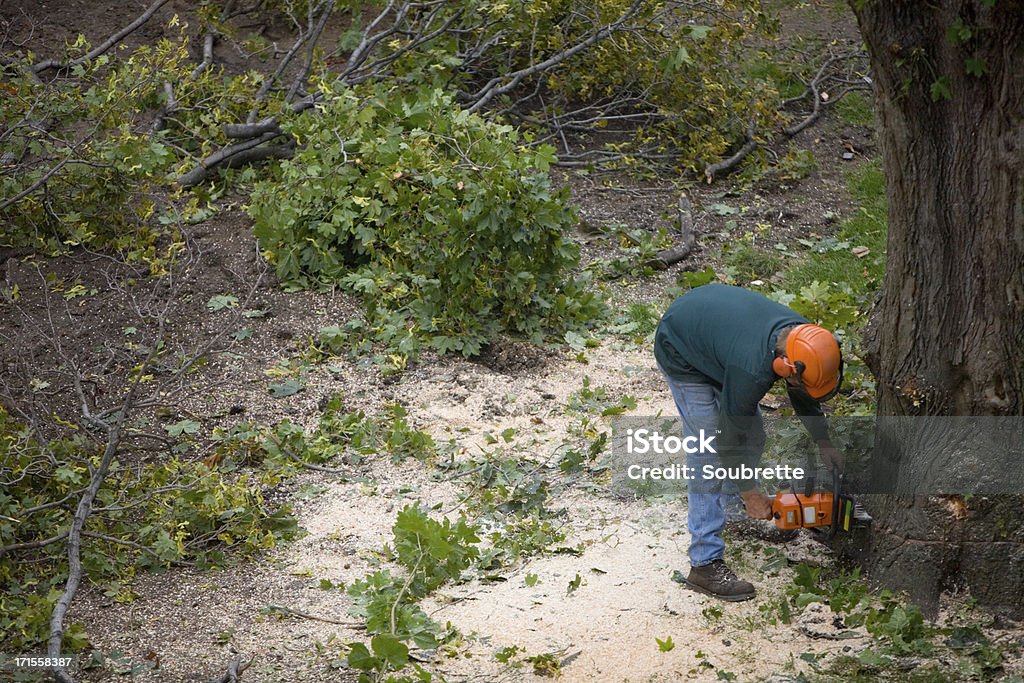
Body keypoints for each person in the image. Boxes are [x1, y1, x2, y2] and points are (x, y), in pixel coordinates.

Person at [654, 283, 844, 601]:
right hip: (681, 347)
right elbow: (728, 441)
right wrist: (752, 493)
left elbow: (803, 393)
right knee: (708, 450)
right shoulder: (752, 368)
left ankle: (733, 513)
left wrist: (824, 443)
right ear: (785, 366)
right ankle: (704, 562)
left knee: (753, 433)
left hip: (715, 337)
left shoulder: (803, 342)